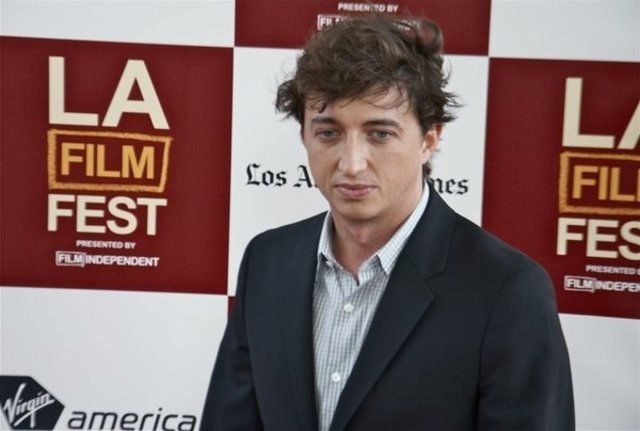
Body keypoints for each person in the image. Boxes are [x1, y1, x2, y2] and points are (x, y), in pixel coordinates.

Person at [201, 13, 574, 431]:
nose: (351, 163)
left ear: (429, 139)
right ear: (304, 136)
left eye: (379, 134)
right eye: (329, 133)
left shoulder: (507, 289)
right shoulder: (267, 261)